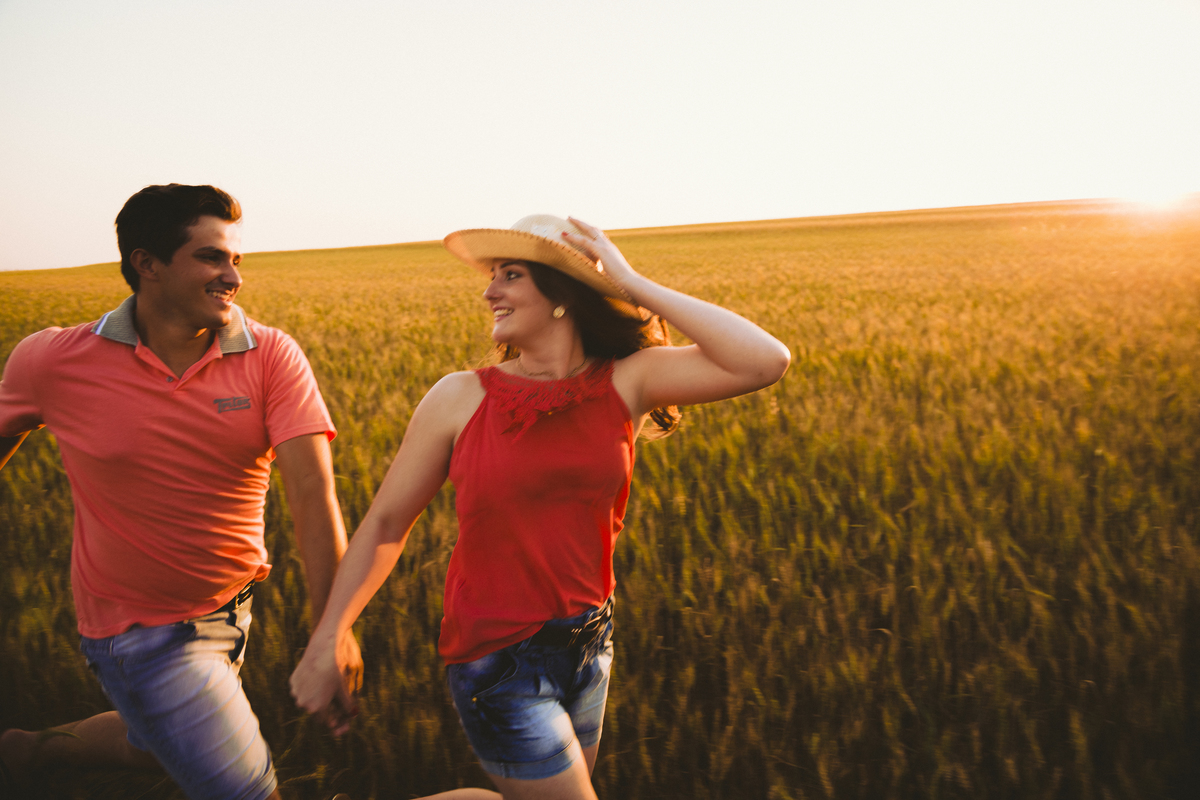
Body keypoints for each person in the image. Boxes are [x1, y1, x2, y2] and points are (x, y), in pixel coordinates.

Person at [289, 214, 790, 800]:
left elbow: (765, 360)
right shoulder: (459, 397)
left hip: (590, 644)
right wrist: (329, 635)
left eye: (511, 275)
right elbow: (386, 523)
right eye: (492, 275)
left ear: (562, 294)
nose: (489, 291)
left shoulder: (627, 381)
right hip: (497, 656)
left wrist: (629, 281)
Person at [0, 184, 363, 800]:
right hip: (137, 630)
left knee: (155, 747)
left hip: (231, 610)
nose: (233, 277)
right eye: (211, 257)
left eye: (236, 260)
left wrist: (332, 628)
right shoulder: (54, 360)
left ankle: (27, 751)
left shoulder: (271, 355)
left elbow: (312, 490)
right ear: (148, 263)